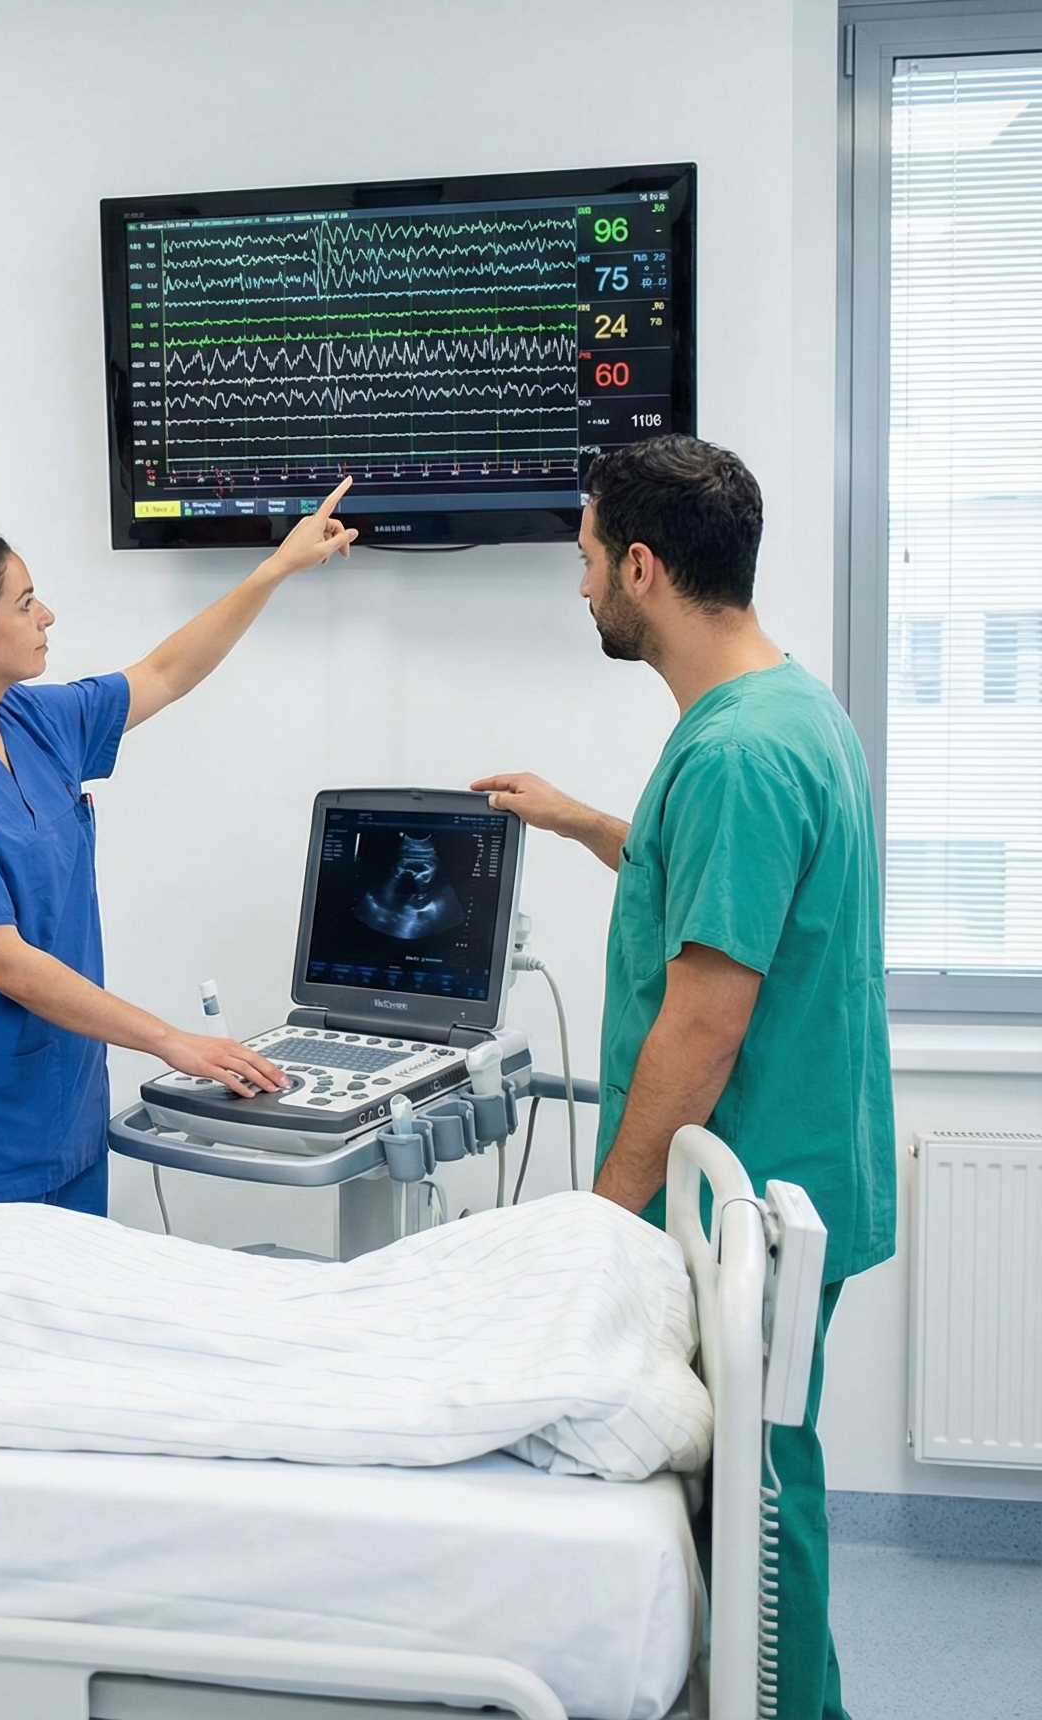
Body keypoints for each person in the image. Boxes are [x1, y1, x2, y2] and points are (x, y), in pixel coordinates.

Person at [472, 433, 892, 1720]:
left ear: (643, 567)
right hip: (789, 1162)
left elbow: (704, 1024)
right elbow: (715, 889)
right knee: (760, 1472)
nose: (582, 584)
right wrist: (587, 822)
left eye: (589, 557)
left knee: (758, 1495)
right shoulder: (781, 708)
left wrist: (605, 1222)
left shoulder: (736, 756)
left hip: (750, 1187)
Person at [0, 488, 356, 1212]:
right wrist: (170, 1041)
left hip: (67, 1114)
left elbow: (165, 673)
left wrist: (276, 568)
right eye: (26, 603)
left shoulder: (33, 719)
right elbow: (2, 961)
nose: (47, 616)